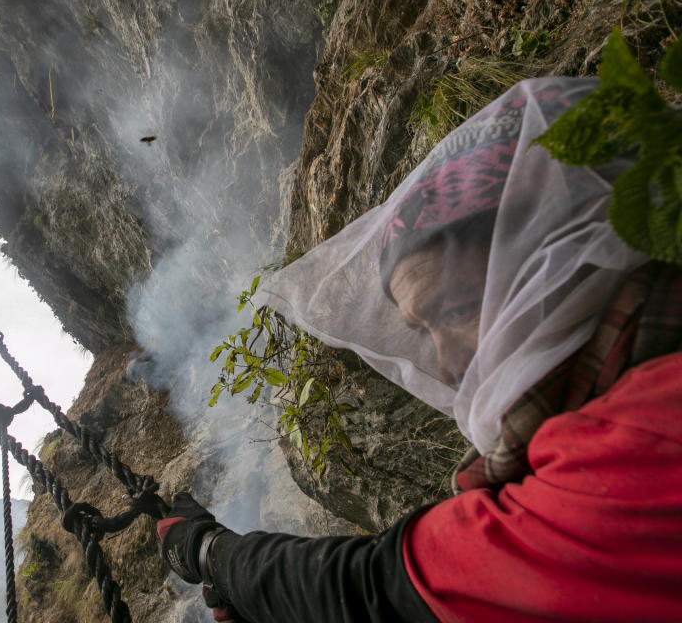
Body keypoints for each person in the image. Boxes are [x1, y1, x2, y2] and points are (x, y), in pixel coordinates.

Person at [157, 78, 682, 622]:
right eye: (424, 330)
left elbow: (376, 590)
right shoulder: (633, 373)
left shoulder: (636, 443)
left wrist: (210, 554)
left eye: (456, 309)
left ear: (567, 248)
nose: (449, 365)